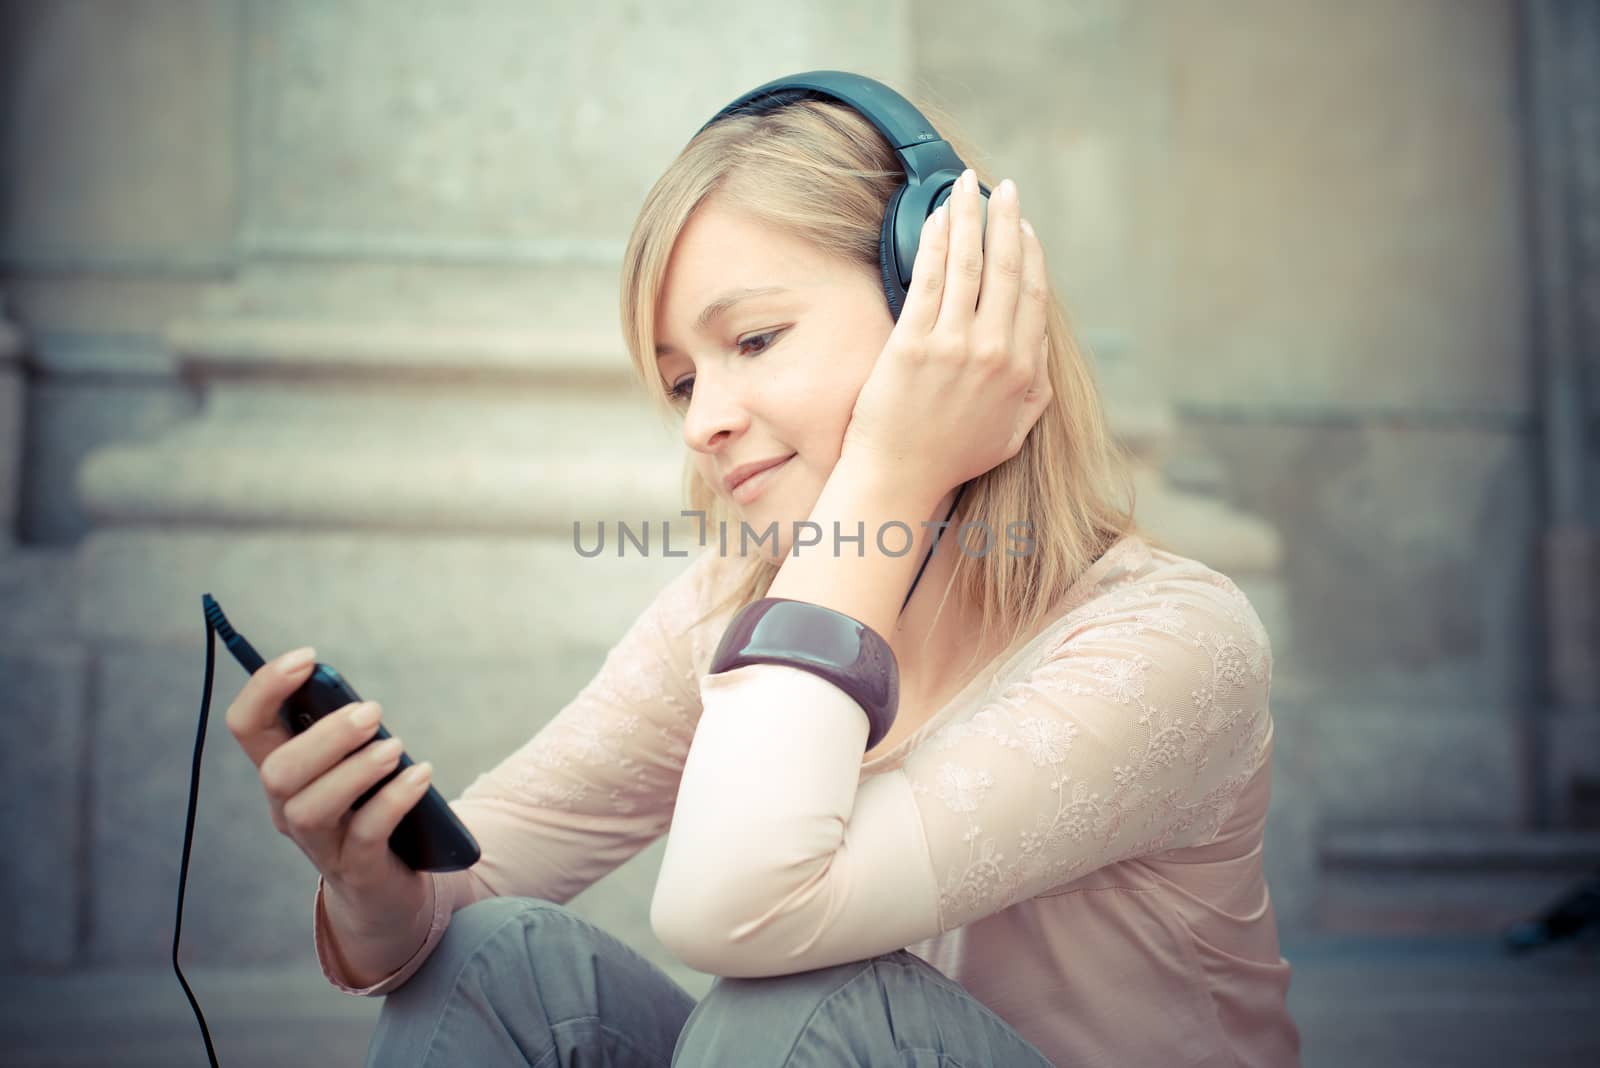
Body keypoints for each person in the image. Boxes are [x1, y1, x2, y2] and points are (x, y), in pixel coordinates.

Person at [225, 87, 1303, 1067]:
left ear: (943, 293)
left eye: (754, 338)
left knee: (794, 1003)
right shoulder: (735, 605)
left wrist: (890, 469)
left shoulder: (1170, 641)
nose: (703, 422)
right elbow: (468, 890)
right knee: (492, 961)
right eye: (683, 381)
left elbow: (736, 912)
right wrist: (370, 884)